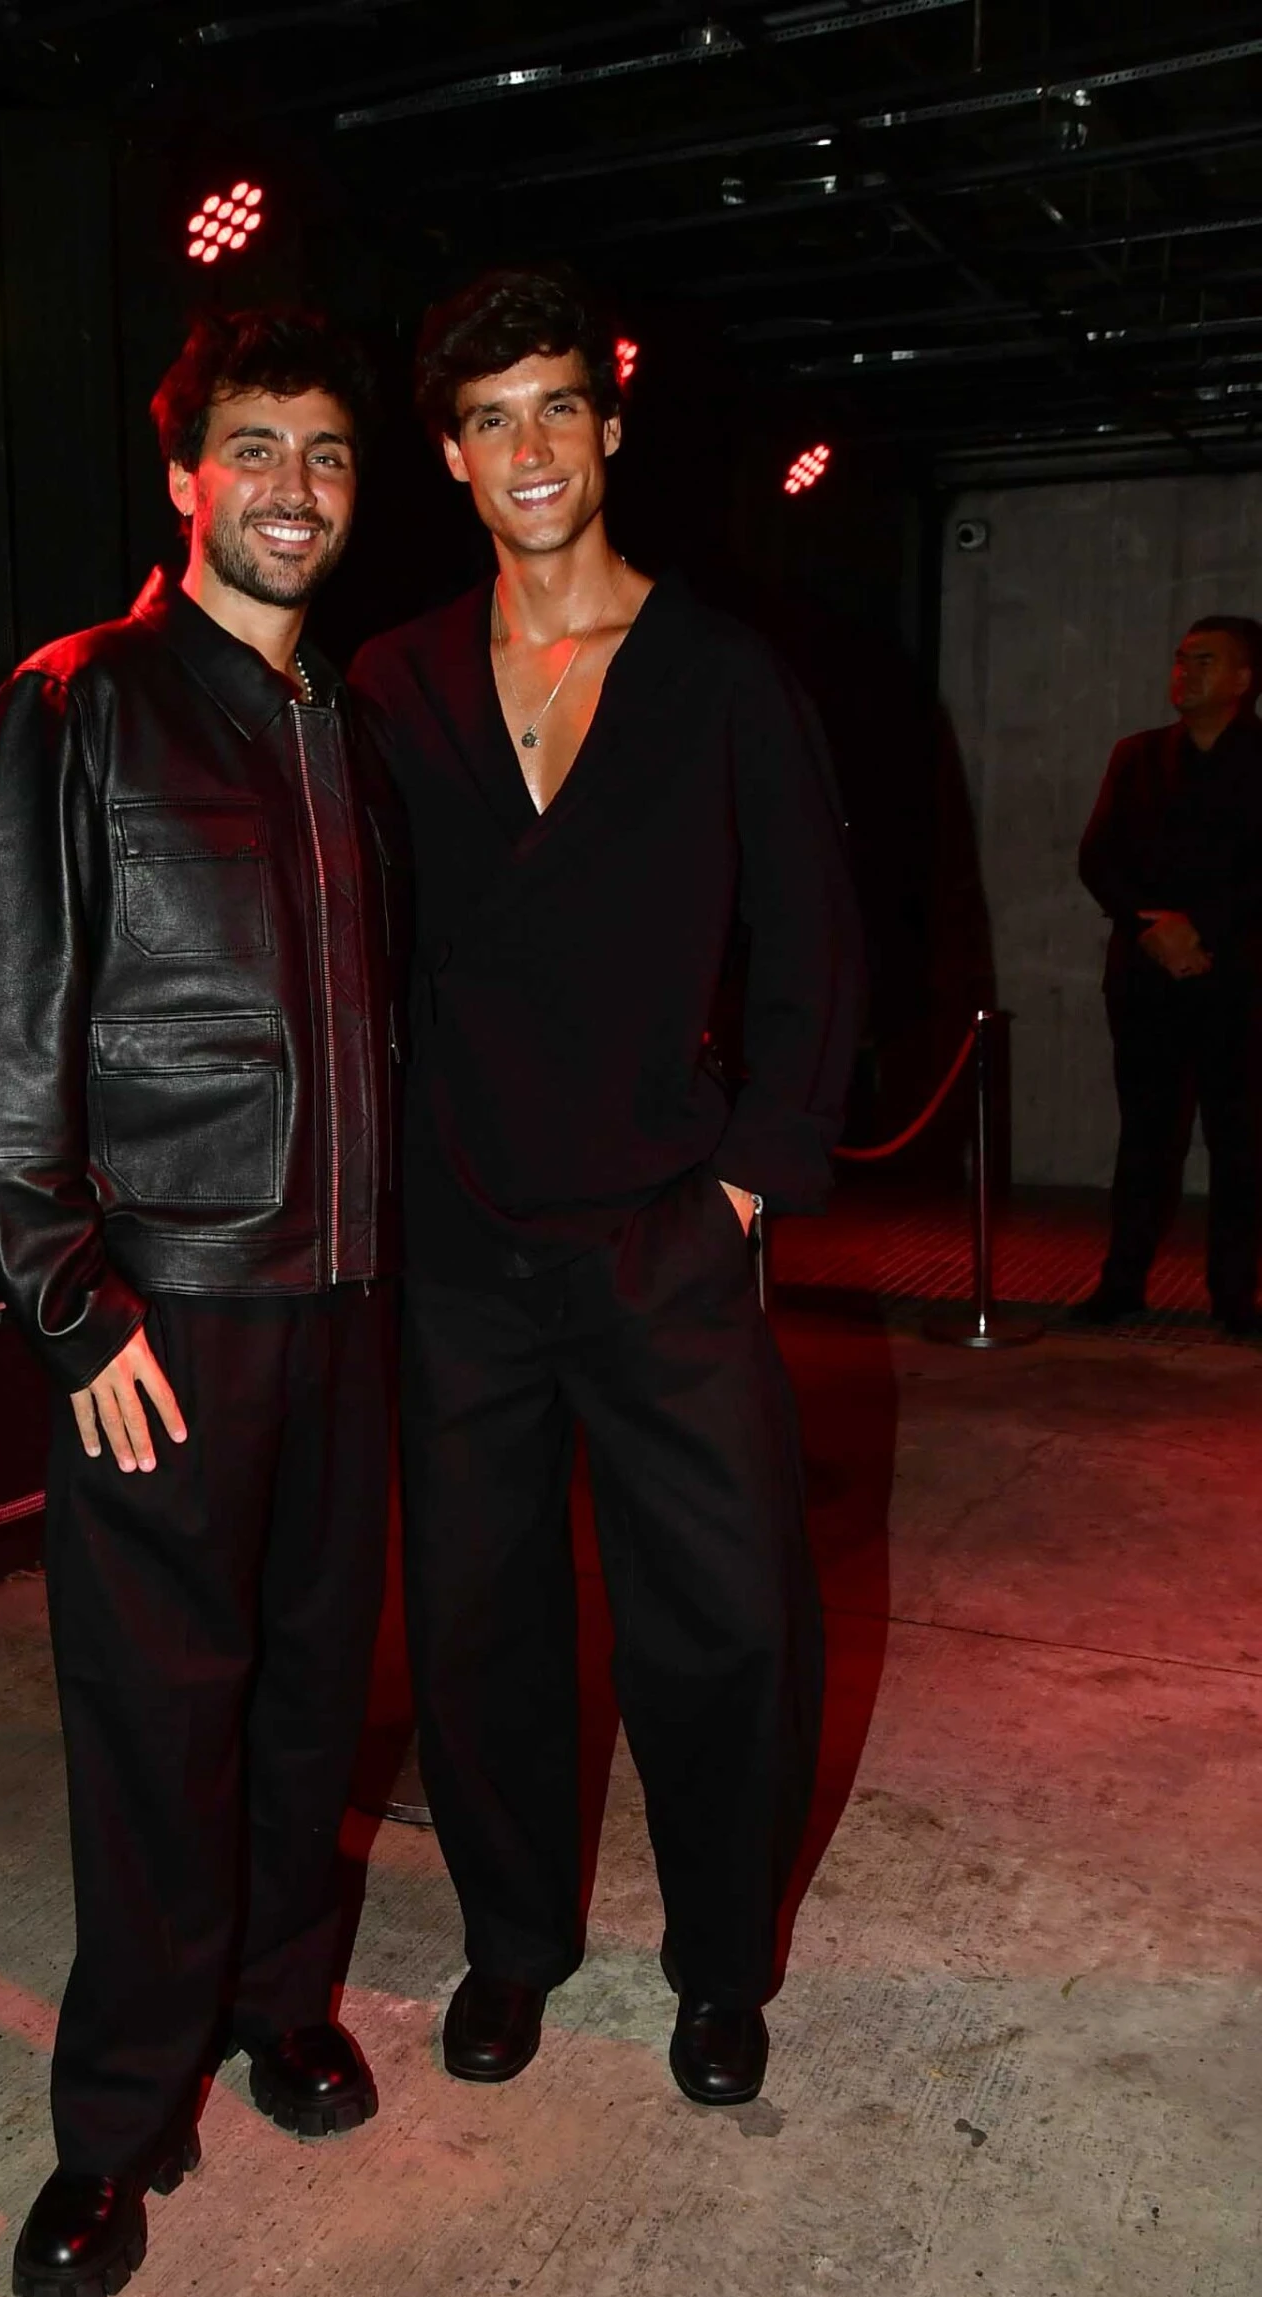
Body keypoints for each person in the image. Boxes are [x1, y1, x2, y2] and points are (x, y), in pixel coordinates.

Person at [349, 268, 863, 2110]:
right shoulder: (391, 681)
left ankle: (719, 1965)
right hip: (460, 1242)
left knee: (725, 1620)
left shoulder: (720, 672)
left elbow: (815, 940)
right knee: (477, 1619)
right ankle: (511, 1944)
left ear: (609, 427)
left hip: (662, 1229)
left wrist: (745, 1186)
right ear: (450, 457)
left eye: (556, 404)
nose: (528, 447)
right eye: (490, 418)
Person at [0, 307, 406, 2297]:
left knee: (310, 1698)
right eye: (255, 446)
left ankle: (281, 2004)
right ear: (183, 478)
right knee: (153, 1730)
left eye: (327, 451)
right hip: (168, 1320)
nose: (294, 486)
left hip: (351, 1308)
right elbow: (3, 1028)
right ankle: (118, 2119)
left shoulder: (351, 733)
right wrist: (69, 1305)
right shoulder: (81, 702)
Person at [1076, 615, 1262, 1334]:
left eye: (1205, 661)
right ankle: (1119, 1284)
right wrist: (1152, 929)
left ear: (1243, 679)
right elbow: (1098, 858)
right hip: (1145, 974)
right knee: (1144, 1139)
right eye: (1181, 659)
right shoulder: (1137, 756)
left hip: (1237, 977)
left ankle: (1233, 1297)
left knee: (1240, 1141)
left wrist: (1196, 929)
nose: (1185, 672)